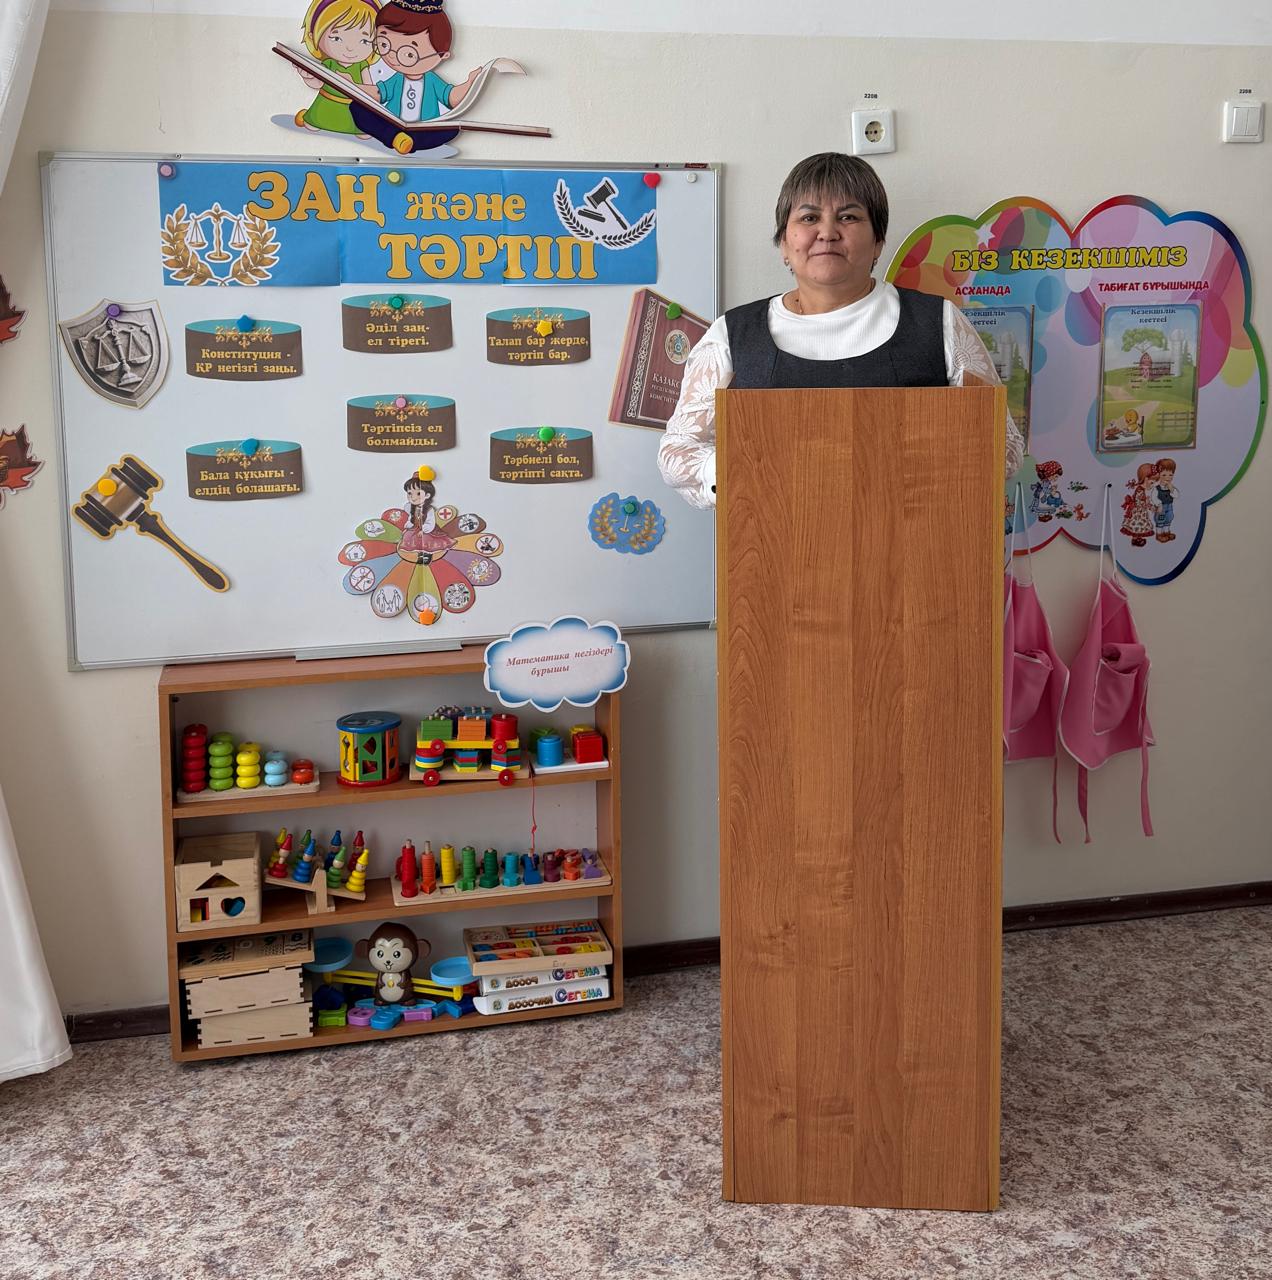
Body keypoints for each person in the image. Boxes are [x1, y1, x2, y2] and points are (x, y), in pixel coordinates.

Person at [658, 153, 1025, 509]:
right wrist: (745, 471)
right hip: (771, 544)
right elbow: (678, 452)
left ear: (878, 241)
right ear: (784, 243)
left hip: (918, 541)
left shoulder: (940, 322)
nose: (827, 233)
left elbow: (1005, 449)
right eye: (809, 217)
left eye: (848, 217)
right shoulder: (733, 335)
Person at [361, 0, 482, 154]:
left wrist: (471, 83)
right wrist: (352, 87)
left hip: (422, 128)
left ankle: (407, 142)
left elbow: (451, 98)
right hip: (393, 125)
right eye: (384, 45)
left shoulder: (432, 81)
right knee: (358, 110)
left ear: (442, 55)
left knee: (451, 128)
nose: (392, 56)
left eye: (409, 54)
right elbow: (379, 93)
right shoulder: (397, 79)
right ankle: (397, 139)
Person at [294, 0, 380, 136]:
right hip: (326, 105)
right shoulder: (328, 64)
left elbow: (368, 90)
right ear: (314, 35)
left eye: (364, 41)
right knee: (312, 125)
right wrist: (307, 76)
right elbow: (318, 84)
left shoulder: (362, 66)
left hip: (354, 110)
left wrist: (353, 86)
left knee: (363, 131)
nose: (350, 48)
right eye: (336, 38)